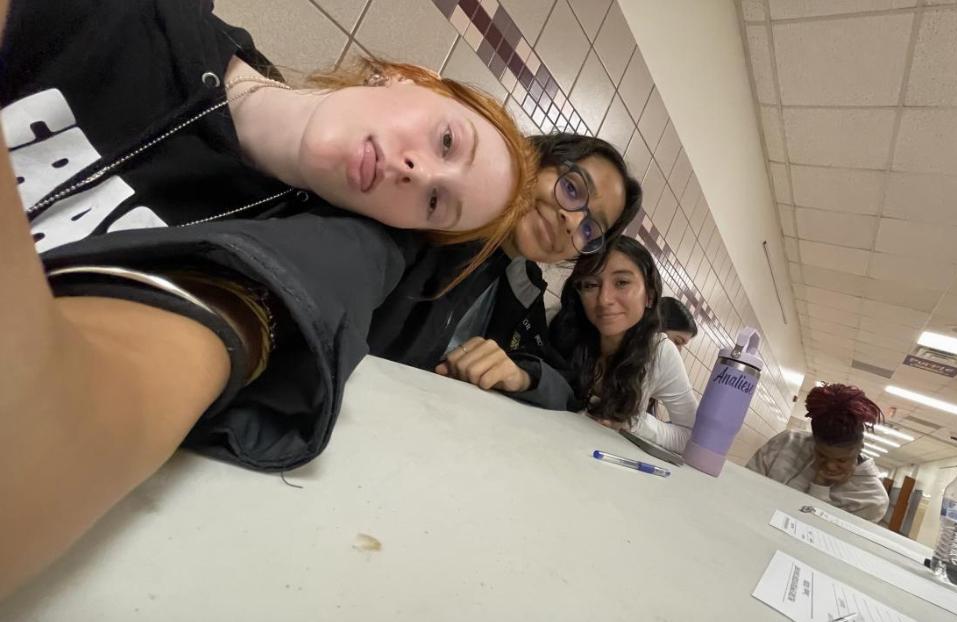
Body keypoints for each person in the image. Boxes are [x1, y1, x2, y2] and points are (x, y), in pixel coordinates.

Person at [0, 0, 538, 599]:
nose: (418, 171)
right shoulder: (137, 19)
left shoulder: (302, 248)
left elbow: (52, 451)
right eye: (447, 141)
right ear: (406, 77)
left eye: (435, 203)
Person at [370, 133, 642, 408]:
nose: (572, 222)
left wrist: (521, 376)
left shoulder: (521, 281)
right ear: (534, 158)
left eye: (590, 229)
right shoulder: (430, 216)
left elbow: (561, 382)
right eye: (571, 188)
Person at [548, 237, 698, 452]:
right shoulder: (559, 324)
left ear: (649, 295)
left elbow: (693, 438)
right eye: (591, 285)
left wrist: (634, 423)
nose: (604, 299)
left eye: (621, 283)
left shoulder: (659, 351)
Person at [746, 384, 890, 522]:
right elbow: (746, 483)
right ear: (813, 441)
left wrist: (820, 487)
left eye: (842, 460)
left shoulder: (872, 499)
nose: (830, 466)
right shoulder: (787, 442)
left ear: (860, 447)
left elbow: (819, 534)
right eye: (821, 455)